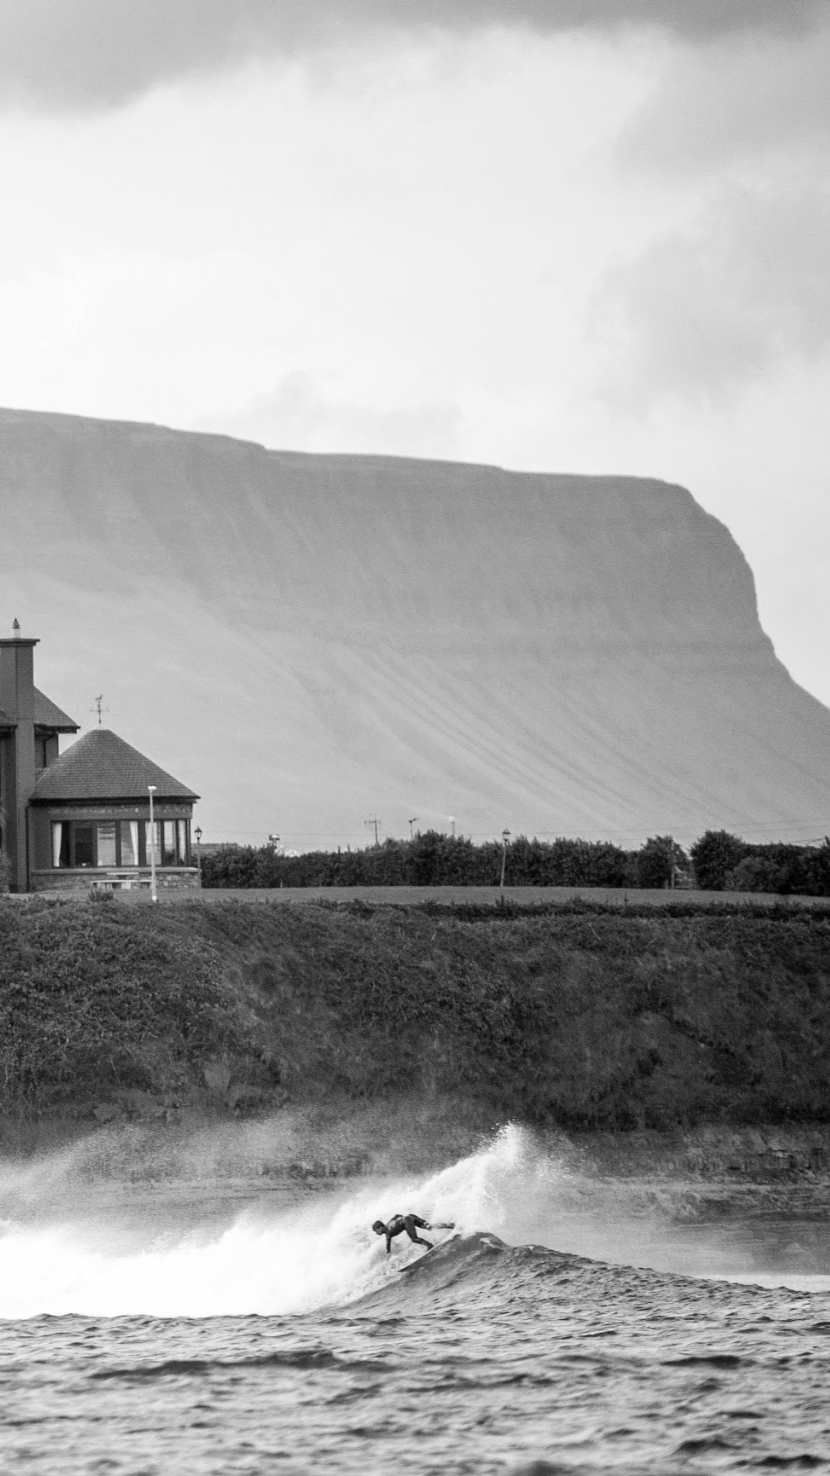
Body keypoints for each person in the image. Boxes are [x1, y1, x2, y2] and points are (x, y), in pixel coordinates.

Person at [371, 1213, 454, 1255]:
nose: (376, 1233)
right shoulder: (389, 1223)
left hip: (406, 1222)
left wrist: (388, 1252)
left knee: (414, 1239)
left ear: (379, 1228)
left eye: (376, 1231)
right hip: (410, 1217)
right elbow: (397, 1215)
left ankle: (429, 1245)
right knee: (429, 1227)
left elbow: (388, 1244)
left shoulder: (387, 1234)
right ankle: (450, 1225)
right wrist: (403, 1219)